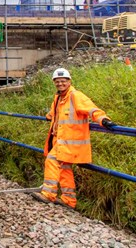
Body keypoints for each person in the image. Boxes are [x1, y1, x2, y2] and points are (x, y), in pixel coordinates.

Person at [31, 68, 116, 209]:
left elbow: (91, 109)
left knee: (52, 160)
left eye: (63, 81)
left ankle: (48, 194)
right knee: (64, 167)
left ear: (69, 81)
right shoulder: (58, 98)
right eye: (57, 82)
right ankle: (69, 200)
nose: (60, 84)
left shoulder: (76, 96)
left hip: (71, 142)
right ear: (54, 83)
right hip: (62, 141)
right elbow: (55, 112)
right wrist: (49, 116)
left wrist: (104, 120)